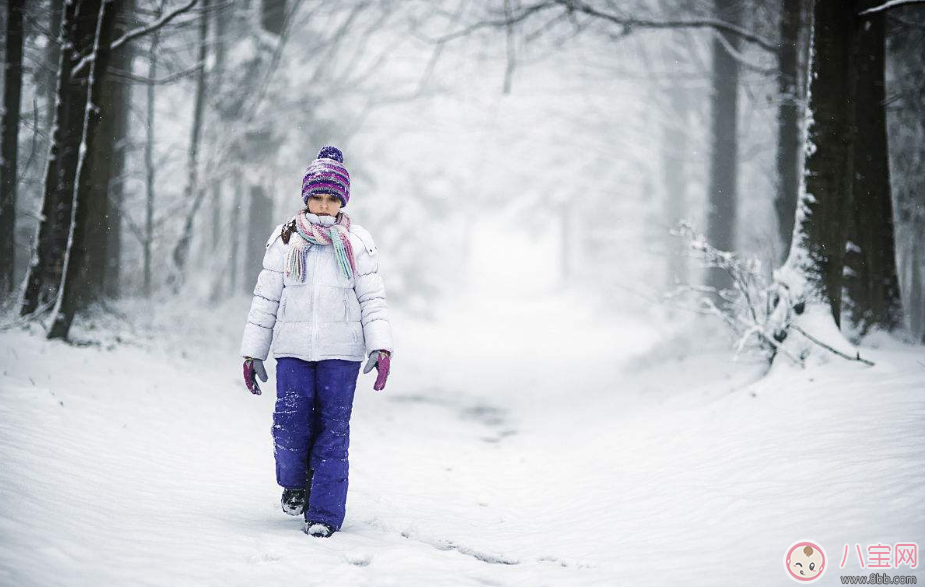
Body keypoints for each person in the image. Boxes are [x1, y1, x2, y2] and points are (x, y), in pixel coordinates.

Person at [239, 146, 393, 539]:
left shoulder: (356, 242)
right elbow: (266, 297)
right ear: (305, 198)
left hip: (341, 354)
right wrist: (253, 351)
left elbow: (372, 299)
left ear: (342, 201)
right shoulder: (286, 238)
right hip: (292, 351)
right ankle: (295, 483)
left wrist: (381, 346)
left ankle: (324, 512)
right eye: (317, 198)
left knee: (333, 431)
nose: (323, 207)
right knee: (289, 427)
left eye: (332, 199)